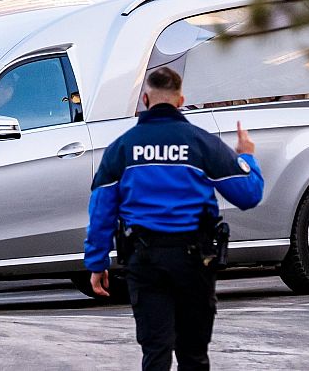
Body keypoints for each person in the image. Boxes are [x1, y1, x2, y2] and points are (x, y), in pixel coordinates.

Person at [85, 67, 263, 371]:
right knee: (193, 355)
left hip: (145, 260)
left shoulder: (122, 148)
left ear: (144, 99)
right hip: (194, 262)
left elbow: (102, 209)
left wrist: (97, 263)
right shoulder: (202, 144)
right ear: (180, 100)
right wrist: (246, 156)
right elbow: (248, 194)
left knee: (156, 352)